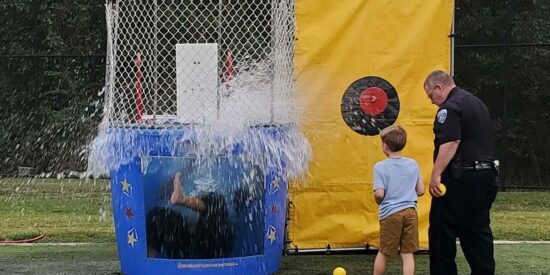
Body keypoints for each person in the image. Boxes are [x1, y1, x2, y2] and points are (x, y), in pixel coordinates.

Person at [423, 70, 498, 275]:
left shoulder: (449, 108)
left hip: (459, 178)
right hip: (486, 176)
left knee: (441, 232)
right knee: (477, 231)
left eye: (431, 96)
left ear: (439, 87)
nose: (432, 101)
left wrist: (436, 174)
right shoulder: (476, 103)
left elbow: (451, 142)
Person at [372, 125, 425, 275]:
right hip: (410, 213)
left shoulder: (380, 167)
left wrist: (378, 200)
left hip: (390, 215)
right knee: (407, 254)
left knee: (384, 252)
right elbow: (421, 191)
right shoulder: (413, 164)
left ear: (385, 146)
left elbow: (379, 194)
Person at [146, 172, 234, 259]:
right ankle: (149, 259)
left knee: (217, 201)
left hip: (214, 245)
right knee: (158, 215)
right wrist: (172, 183)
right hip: (187, 247)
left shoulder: (227, 176)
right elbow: (160, 193)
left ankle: (182, 200)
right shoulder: (182, 171)